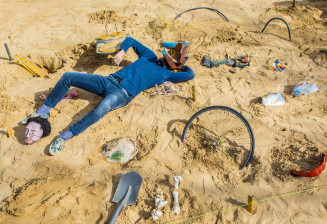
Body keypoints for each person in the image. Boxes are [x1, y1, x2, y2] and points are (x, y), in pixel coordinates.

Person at [22, 37, 195, 155]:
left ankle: (65, 136)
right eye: (170, 52)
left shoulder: (166, 75)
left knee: (103, 107)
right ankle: (44, 110)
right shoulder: (149, 55)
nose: (169, 56)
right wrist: (121, 52)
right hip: (108, 81)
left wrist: (182, 62)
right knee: (69, 76)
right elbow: (130, 40)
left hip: (122, 94)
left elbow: (190, 74)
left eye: (173, 56)